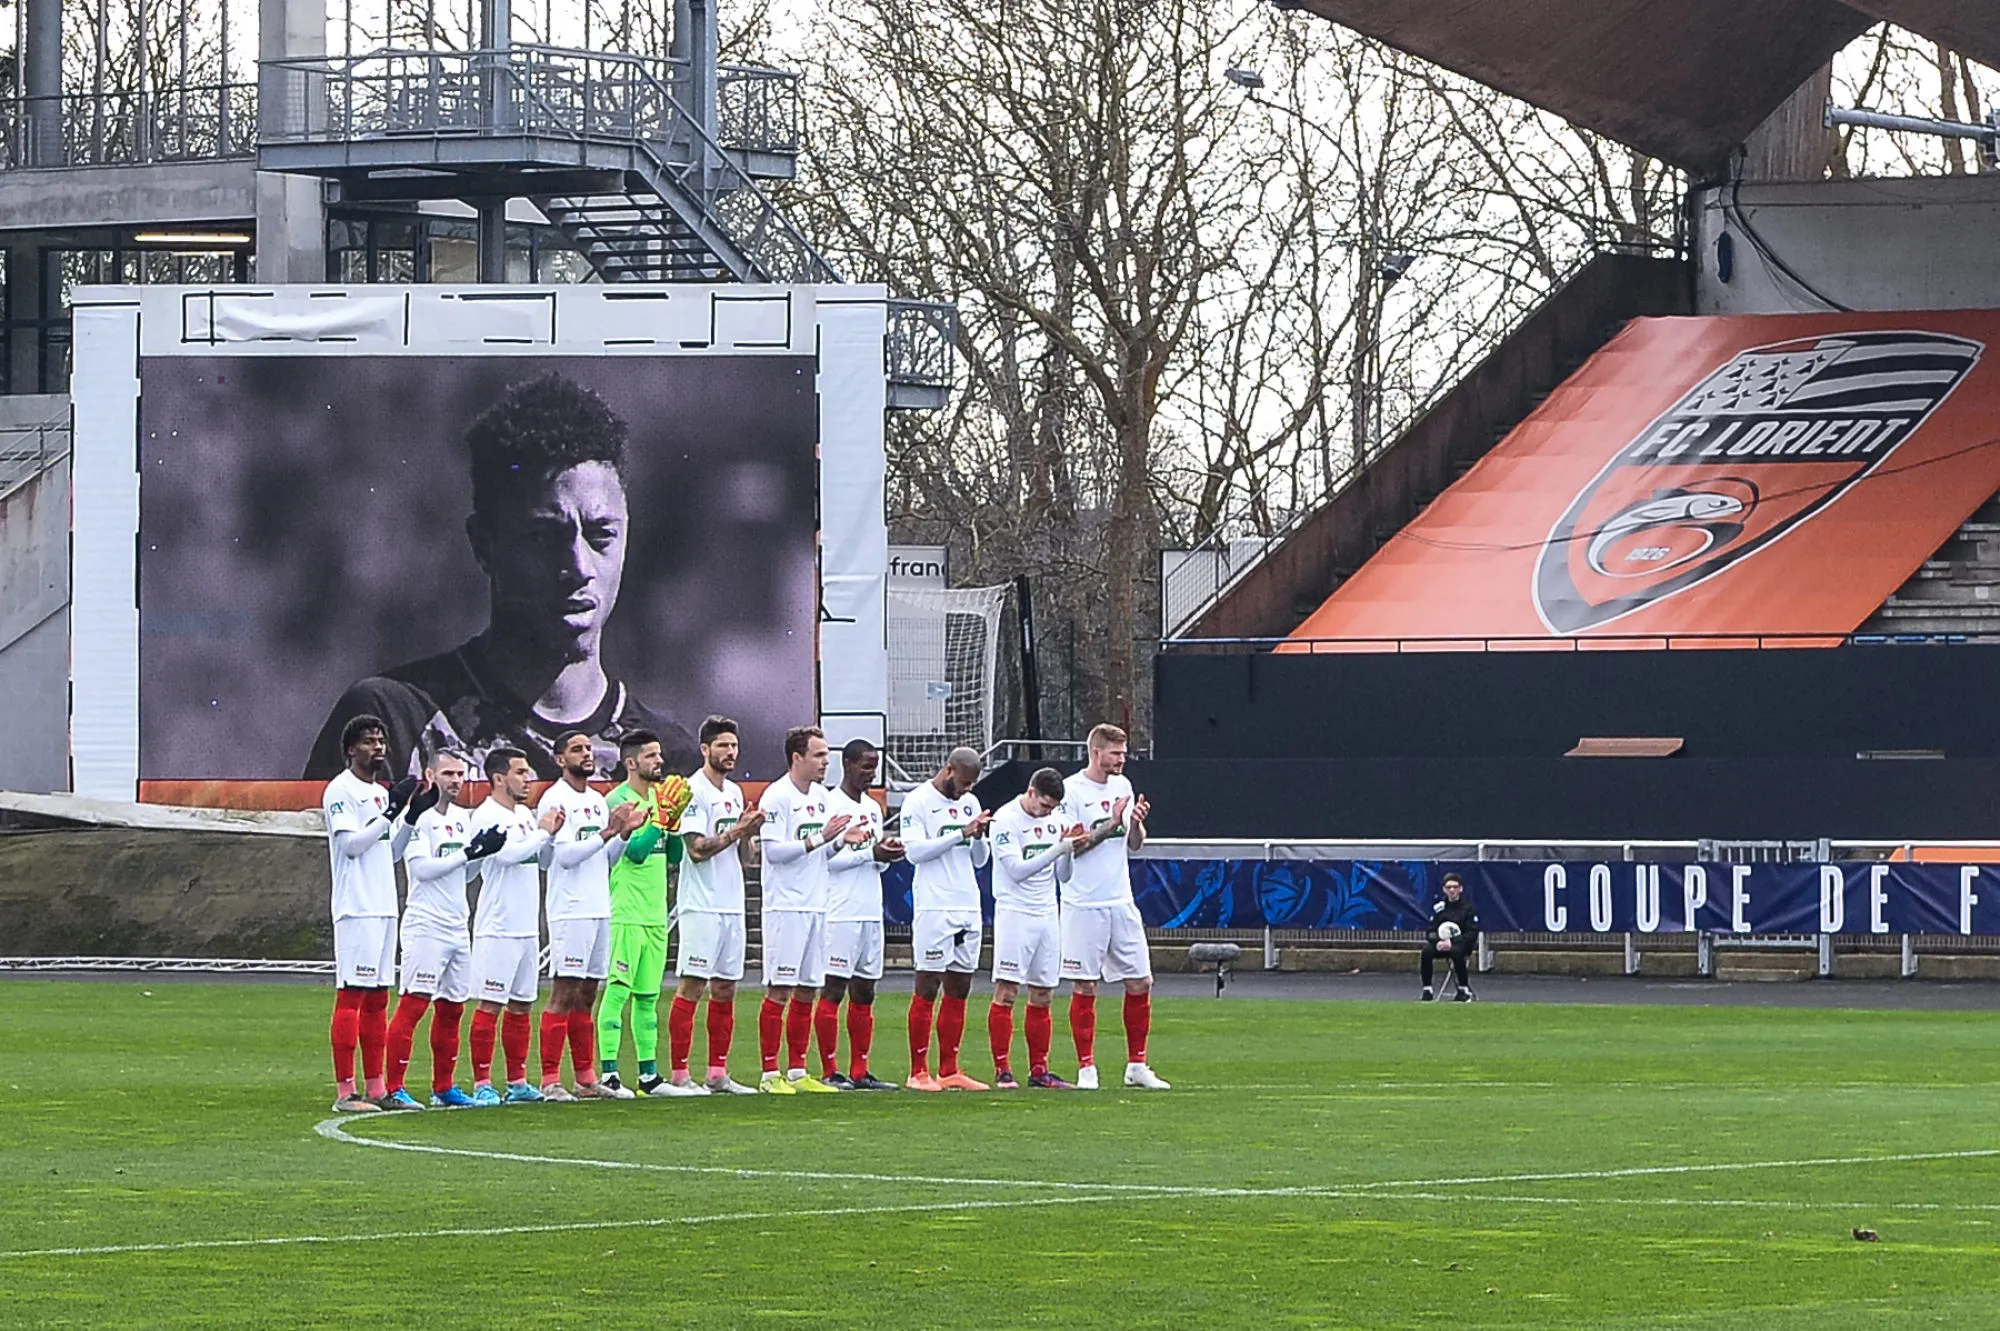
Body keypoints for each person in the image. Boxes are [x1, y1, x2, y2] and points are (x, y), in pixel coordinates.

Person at [304, 372, 698, 783]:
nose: (580, 566)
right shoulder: (391, 724)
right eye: (544, 537)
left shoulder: (672, 762)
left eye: (601, 535)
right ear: (484, 546)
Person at [384, 748, 508, 1109]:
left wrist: (482, 852)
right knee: (414, 1004)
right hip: (426, 924)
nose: (455, 781)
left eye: (460, 774)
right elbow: (422, 870)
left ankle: (444, 1087)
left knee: (453, 1008)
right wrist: (467, 854)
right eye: (448, 773)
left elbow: (464, 875)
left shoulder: (462, 817)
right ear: (430, 775)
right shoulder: (416, 818)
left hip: (457, 924)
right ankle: (394, 1087)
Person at [534, 729, 648, 1100]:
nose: (586, 754)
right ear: (559, 759)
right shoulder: (554, 799)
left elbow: (606, 859)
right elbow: (565, 857)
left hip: (599, 906)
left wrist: (623, 834)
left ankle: (585, 1079)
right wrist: (608, 831)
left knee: (588, 993)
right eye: (576, 749)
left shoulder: (598, 800)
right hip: (571, 908)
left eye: (587, 748)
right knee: (564, 991)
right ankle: (550, 1080)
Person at [322, 713, 427, 1113]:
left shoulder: (382, 793)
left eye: (381, 740)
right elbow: (351, 846)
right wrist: (389, 813)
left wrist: (410, 815)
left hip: (384, 905)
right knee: (352, 995)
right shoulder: (340, 790)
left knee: (378, 999)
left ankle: (377, 1088)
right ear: (351, 749)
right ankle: (345, 1092)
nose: (378, 747)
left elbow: (392, 851)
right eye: (369, 741)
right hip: (357, 906)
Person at [1061, 723, 1170, 1090]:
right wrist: (1110, 824)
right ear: (1097, 752)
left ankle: (1137, 1065)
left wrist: (1135, 823)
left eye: (1124, 753)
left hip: (1120, 899)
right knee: (1086, 985)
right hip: (1084, 903)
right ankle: (1086, 1068)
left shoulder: (1123, 786)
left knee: (1141, 981)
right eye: (1116, 753)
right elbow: (1073, 847)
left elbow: (1135, 844)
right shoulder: (1072, 791)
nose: (1122, 759)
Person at [664, 716, 765, 1095]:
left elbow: (747, 859)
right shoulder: (693, 790)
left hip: (730, 903)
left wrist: (749, 834)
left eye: (734, 745)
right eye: (722, 745)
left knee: (726, 988)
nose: (730, 752)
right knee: (692, 986)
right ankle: (679, 1074)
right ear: (705, 749)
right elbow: (696, 849)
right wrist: (737, 830)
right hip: (701, 903)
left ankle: (717, 1072)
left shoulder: (735, 792)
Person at [754, 725, 851, 1094]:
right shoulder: (777, 796)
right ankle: (769, 1074)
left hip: (817, 903)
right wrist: (819, 838)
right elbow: (773, 852)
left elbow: (823, 854)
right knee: (780, 989)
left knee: (809, 988)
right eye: (819, 755)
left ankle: (797, 1070)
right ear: (797, 757)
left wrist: (839, 842)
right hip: (786, 906)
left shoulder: (823, 797)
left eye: (826, 754)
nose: (826, 761)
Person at [466, 747, 564, 1106]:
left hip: (526, 926)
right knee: (491, 1004)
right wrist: (541, 833)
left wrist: (551, 835)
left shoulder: (524, 814)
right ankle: (482, 1083)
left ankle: (517, 1081)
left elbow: (543, 860)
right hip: (498, 925)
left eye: (528, 772)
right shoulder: (485, 815)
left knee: (522, 1005)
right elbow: (505, 856)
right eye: (520, 772)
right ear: (498, 778)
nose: (528, 779)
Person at [596, 729, 692, 1096]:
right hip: (626, 909)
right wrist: (659, 820)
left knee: (648, 997)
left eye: (659, 754)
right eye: (651, 755)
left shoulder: (659, 797)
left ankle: (649, 1076)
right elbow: (634, 852)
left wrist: (675, 821)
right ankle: (609, 1074)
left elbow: (674, 857)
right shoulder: (617, 800)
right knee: (618, 991)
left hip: (655, 912)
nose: (660, 761)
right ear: (631, 762)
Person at [899, 746, 993, 1092]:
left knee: (960, 985)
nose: (967, 790)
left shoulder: (970, 802)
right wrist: (961, 833)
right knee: (928, 984)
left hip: (967, 904)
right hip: (935, 905)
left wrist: (979, 837)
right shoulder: (918, 801)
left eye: (972, 785)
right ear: (949, 769)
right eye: (964, 782)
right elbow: (914, 852)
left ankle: (949, 1069)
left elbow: (980, 860)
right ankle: (917, 1071)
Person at [816, 739, 905, 1091]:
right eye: (866, 766)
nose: (871, 773)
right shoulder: (830, 804)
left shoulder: (872, 808)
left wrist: (886, 853)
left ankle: (860, 1070)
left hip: (870, 908)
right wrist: (871, 854)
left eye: (874, 767)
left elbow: (874, 860)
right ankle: (830, 1070)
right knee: (834, 987)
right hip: (840, 909)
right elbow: (827, 861)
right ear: (848, 764)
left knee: (865, 990)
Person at [988, 766, 1078, 1090]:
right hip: (1015, 911)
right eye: (1043, 805)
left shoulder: (1057, 820)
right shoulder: (1005, 820)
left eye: (1052, 808)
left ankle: (1039, 1070)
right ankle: (1002, 1069)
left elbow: (1064, 875)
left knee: (1043, 991)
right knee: (1008, 990)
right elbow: (1016, 871)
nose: (1047, 812)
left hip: (1047, 911)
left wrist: (1068, 850)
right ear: (1031, 792)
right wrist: (1058, 849)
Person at [1421, 873, 1480, 1002]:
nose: (1452, 890)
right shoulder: (1439, 908)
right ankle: (1427, 990)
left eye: (1455, 887)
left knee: (1456, 952)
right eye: (1448, 887)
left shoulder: (1468, 909)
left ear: (1461, 889)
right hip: (1442, 944)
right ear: (1444, 889)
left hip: (1461, 945)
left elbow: (1472, 932)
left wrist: (1452, 942)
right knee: (1426, 951)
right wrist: (1437, 941)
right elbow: (1430, 930)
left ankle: (1463, 989)